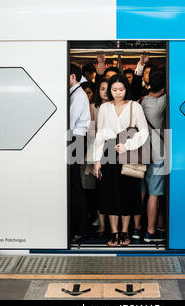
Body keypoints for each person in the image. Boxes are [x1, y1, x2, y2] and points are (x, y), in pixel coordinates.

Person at [93, 74, 149, 247]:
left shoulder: (135, 106)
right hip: (108, 152)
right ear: (110, 90)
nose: (117, 93)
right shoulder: (104, 108)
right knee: (110, 195)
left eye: (121, 89)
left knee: (128, 194)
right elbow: (100, 134)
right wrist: (96, 160)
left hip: (128, 152)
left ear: (126, 89)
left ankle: (125, 231)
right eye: (114, 90)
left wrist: (129, 145)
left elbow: (144, 131)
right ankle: (114, 232)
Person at [133, 70, 167, 242]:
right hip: (158, 153)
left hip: (140, 153)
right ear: (162, 89)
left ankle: (136, 229)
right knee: (154, 194)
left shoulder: (141, 101)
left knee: (140, 192)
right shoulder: (162, 101)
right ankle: (151, 232)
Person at [69, 64, 91, 242]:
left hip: (75, 140)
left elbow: (70, 121)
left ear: (72, 77)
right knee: (74, 183)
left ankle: (80, 227)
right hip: (76, 140)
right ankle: (79, 226)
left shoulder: (77, 95)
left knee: (74, 184)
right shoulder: (78, 93)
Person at [87, 78, 109, 237]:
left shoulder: (116, 106)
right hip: (97, 151)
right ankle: (101, 224)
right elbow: (90, 131)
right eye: (102, 89)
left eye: (108, 89)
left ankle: (112, 223)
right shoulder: (92, 107)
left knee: (112, 189)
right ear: (98, 91)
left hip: (113, 151)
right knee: (100, 190)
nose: (106, 92)